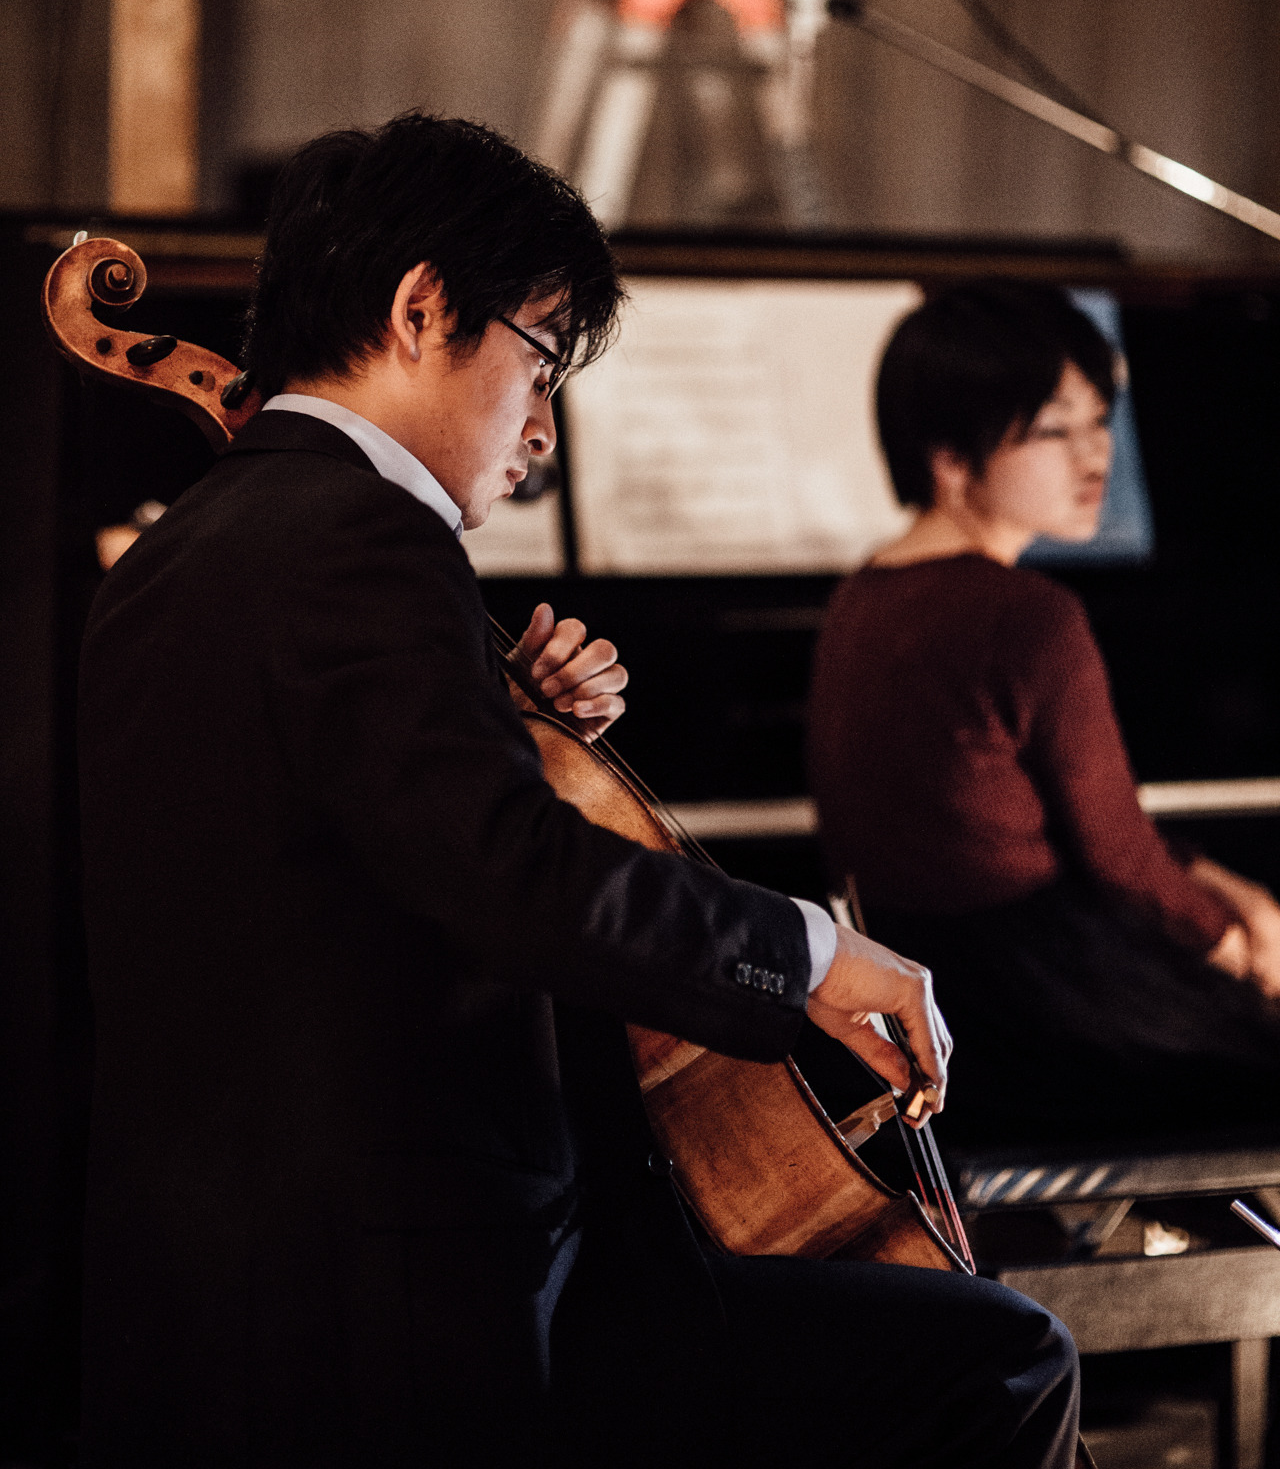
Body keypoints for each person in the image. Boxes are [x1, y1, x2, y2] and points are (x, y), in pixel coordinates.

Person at [77, 119, 1079, 1467]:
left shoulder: (180, 550)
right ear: (421, 310)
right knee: (993, 1360)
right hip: (417, 1298)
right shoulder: (366, 537)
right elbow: (515, 879)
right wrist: (812, 952)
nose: (543, 431)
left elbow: (341, 860)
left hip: (227, 1277)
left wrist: (510, 725)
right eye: (540, 361)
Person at [809, 279, 1280, 1148]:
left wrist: (1222, 885)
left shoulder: (859, 594)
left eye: (1099, 420)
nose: (1096, 454)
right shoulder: (1029, 613)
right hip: (1040, 1009)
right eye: (1054, 431)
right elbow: (1117, 857)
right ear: (952, 459)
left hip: (926, 986)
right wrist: (1237, 946)